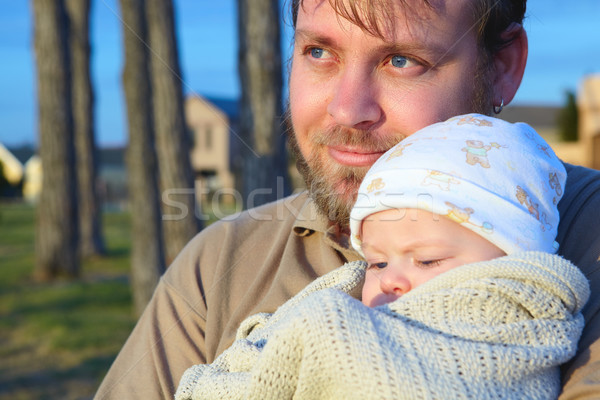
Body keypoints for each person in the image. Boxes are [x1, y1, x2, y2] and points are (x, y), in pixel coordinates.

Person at [95, 1, 600, 399]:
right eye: (318, 52)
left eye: (402, 60)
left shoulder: (587, 235)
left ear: (503, 68)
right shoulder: (219, 265)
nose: (346, 109)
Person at [173, 114, 589, 400]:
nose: (390, 280)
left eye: (427, 261)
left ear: (514, 264)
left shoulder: (517, 324)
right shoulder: (215, 258)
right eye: (377, 262)